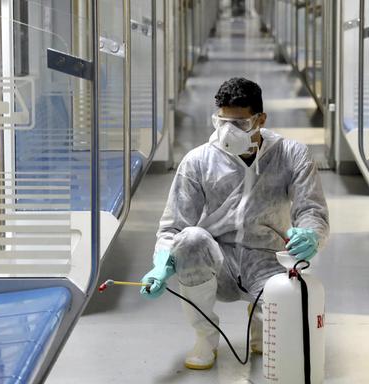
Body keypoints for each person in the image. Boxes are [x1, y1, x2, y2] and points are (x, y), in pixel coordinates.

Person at [139, 77, 329, 370]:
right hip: (218, 261)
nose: (228, 132)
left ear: (260, 119)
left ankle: (260, 325)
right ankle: (205, 337)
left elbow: (311, 209)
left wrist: (310, 234)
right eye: (221, 122)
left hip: (269, 260)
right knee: (190, 240)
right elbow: (173, 225)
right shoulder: (199, 160)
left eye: (239, 124)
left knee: (275, 340)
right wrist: (162, 263)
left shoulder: (291, 154)